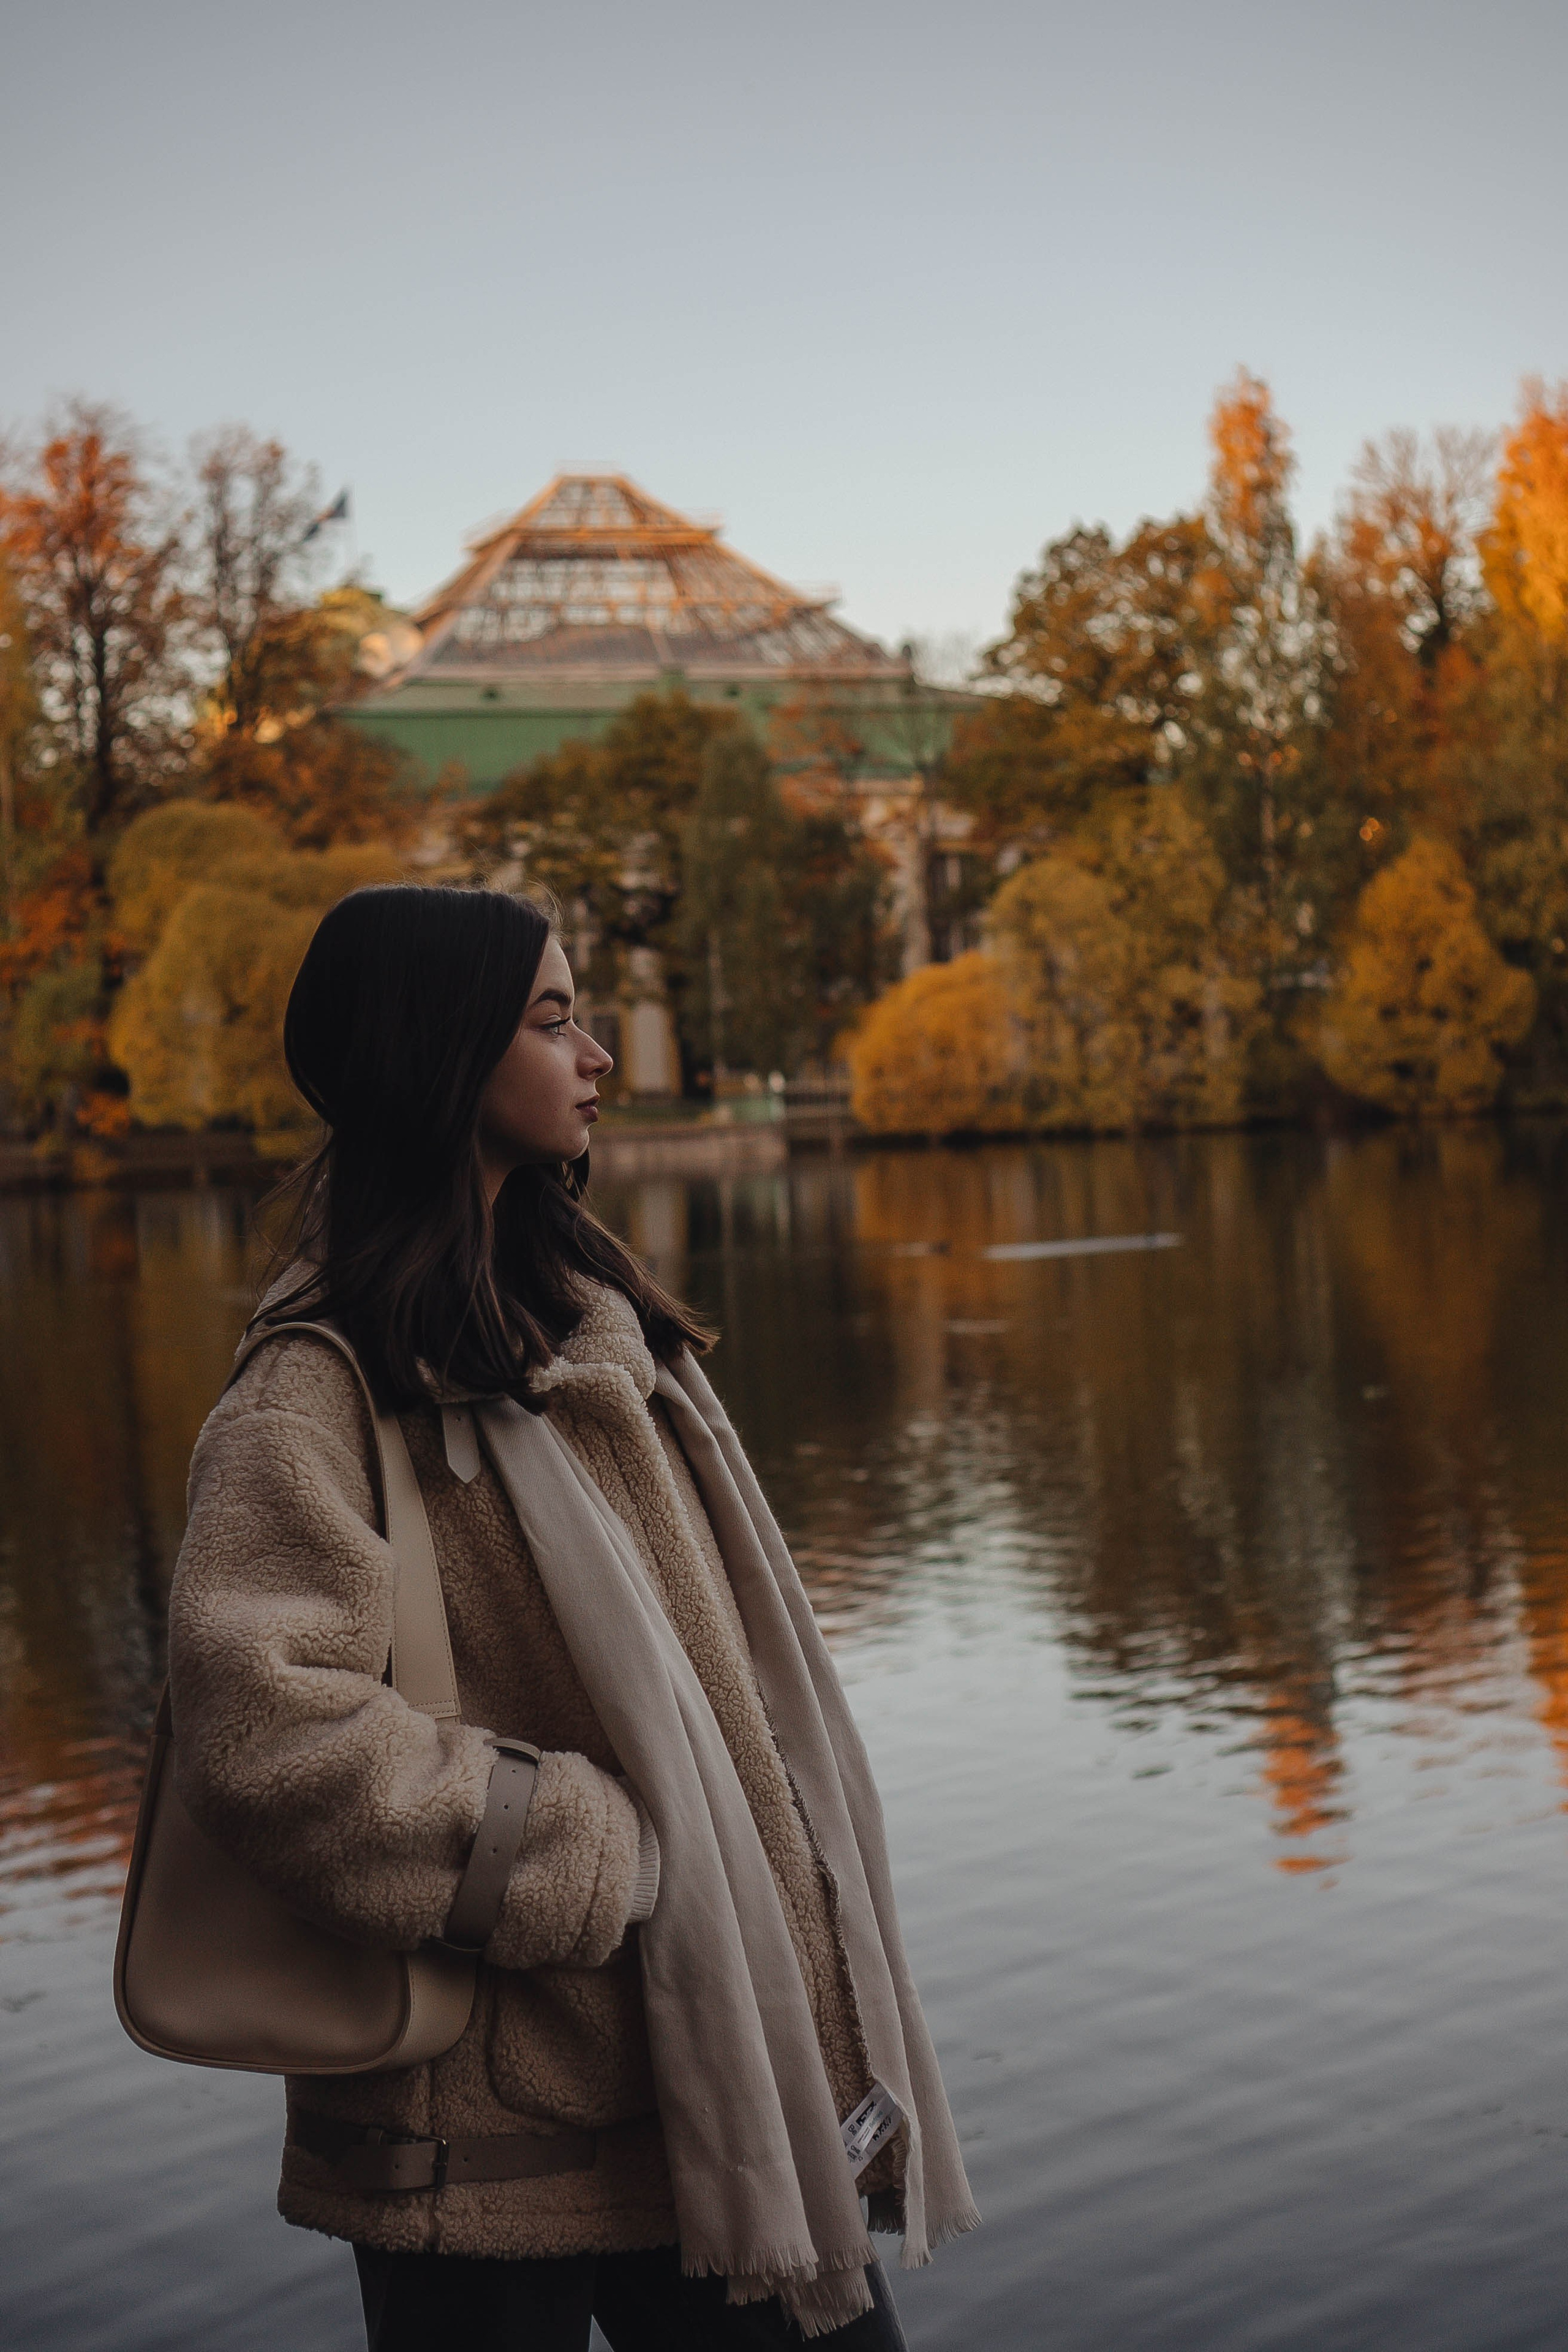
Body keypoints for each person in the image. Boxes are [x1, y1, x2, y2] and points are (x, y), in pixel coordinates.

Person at [165, 886, 978, 2351]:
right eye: (550, 1020)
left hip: (706, 2069)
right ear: (440, 1054)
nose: (596, 1053)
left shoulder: (590, 1335)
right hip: (481, 2127)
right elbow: (263, 1729)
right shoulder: (314, 1389)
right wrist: (587, 1852)